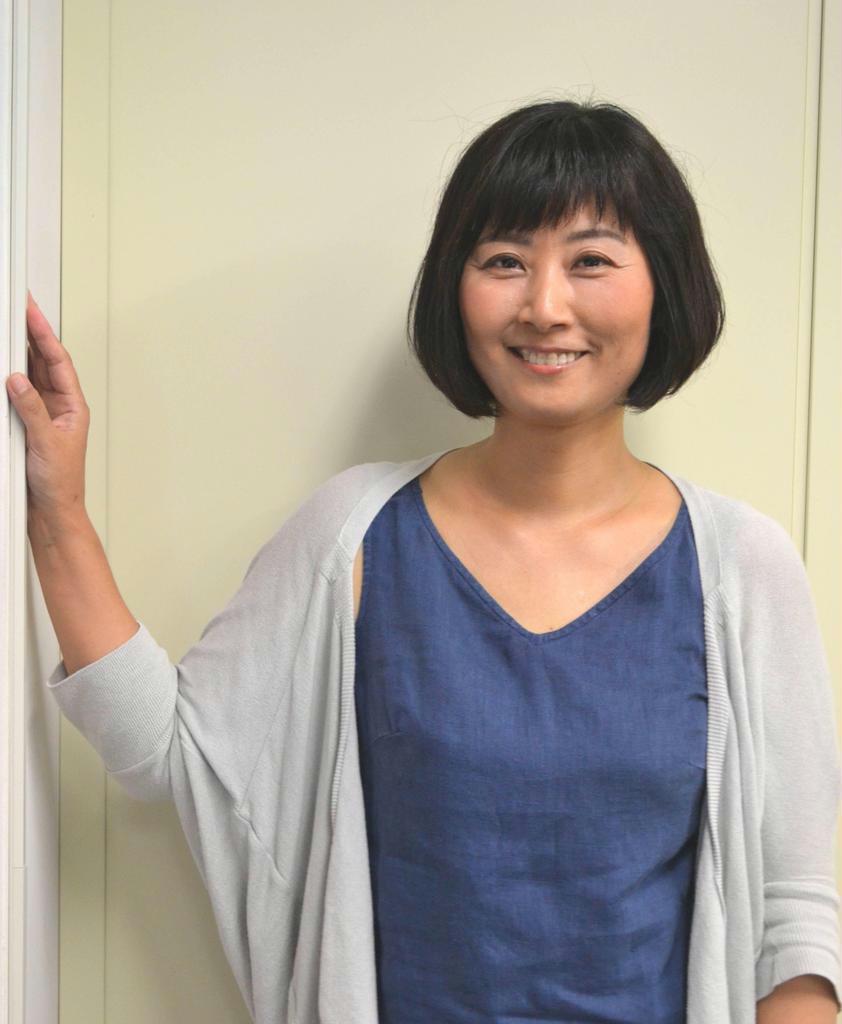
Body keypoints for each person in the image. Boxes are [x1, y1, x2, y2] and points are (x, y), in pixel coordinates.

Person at [6, 98, 841, 1024]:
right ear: (456, 286)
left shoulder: (741, 567)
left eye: (591, 260)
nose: (545, 305)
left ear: (664, 286)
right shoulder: (353, 538)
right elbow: (168, 752)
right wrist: (58, 510)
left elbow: (796, 925)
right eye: (504, 260)